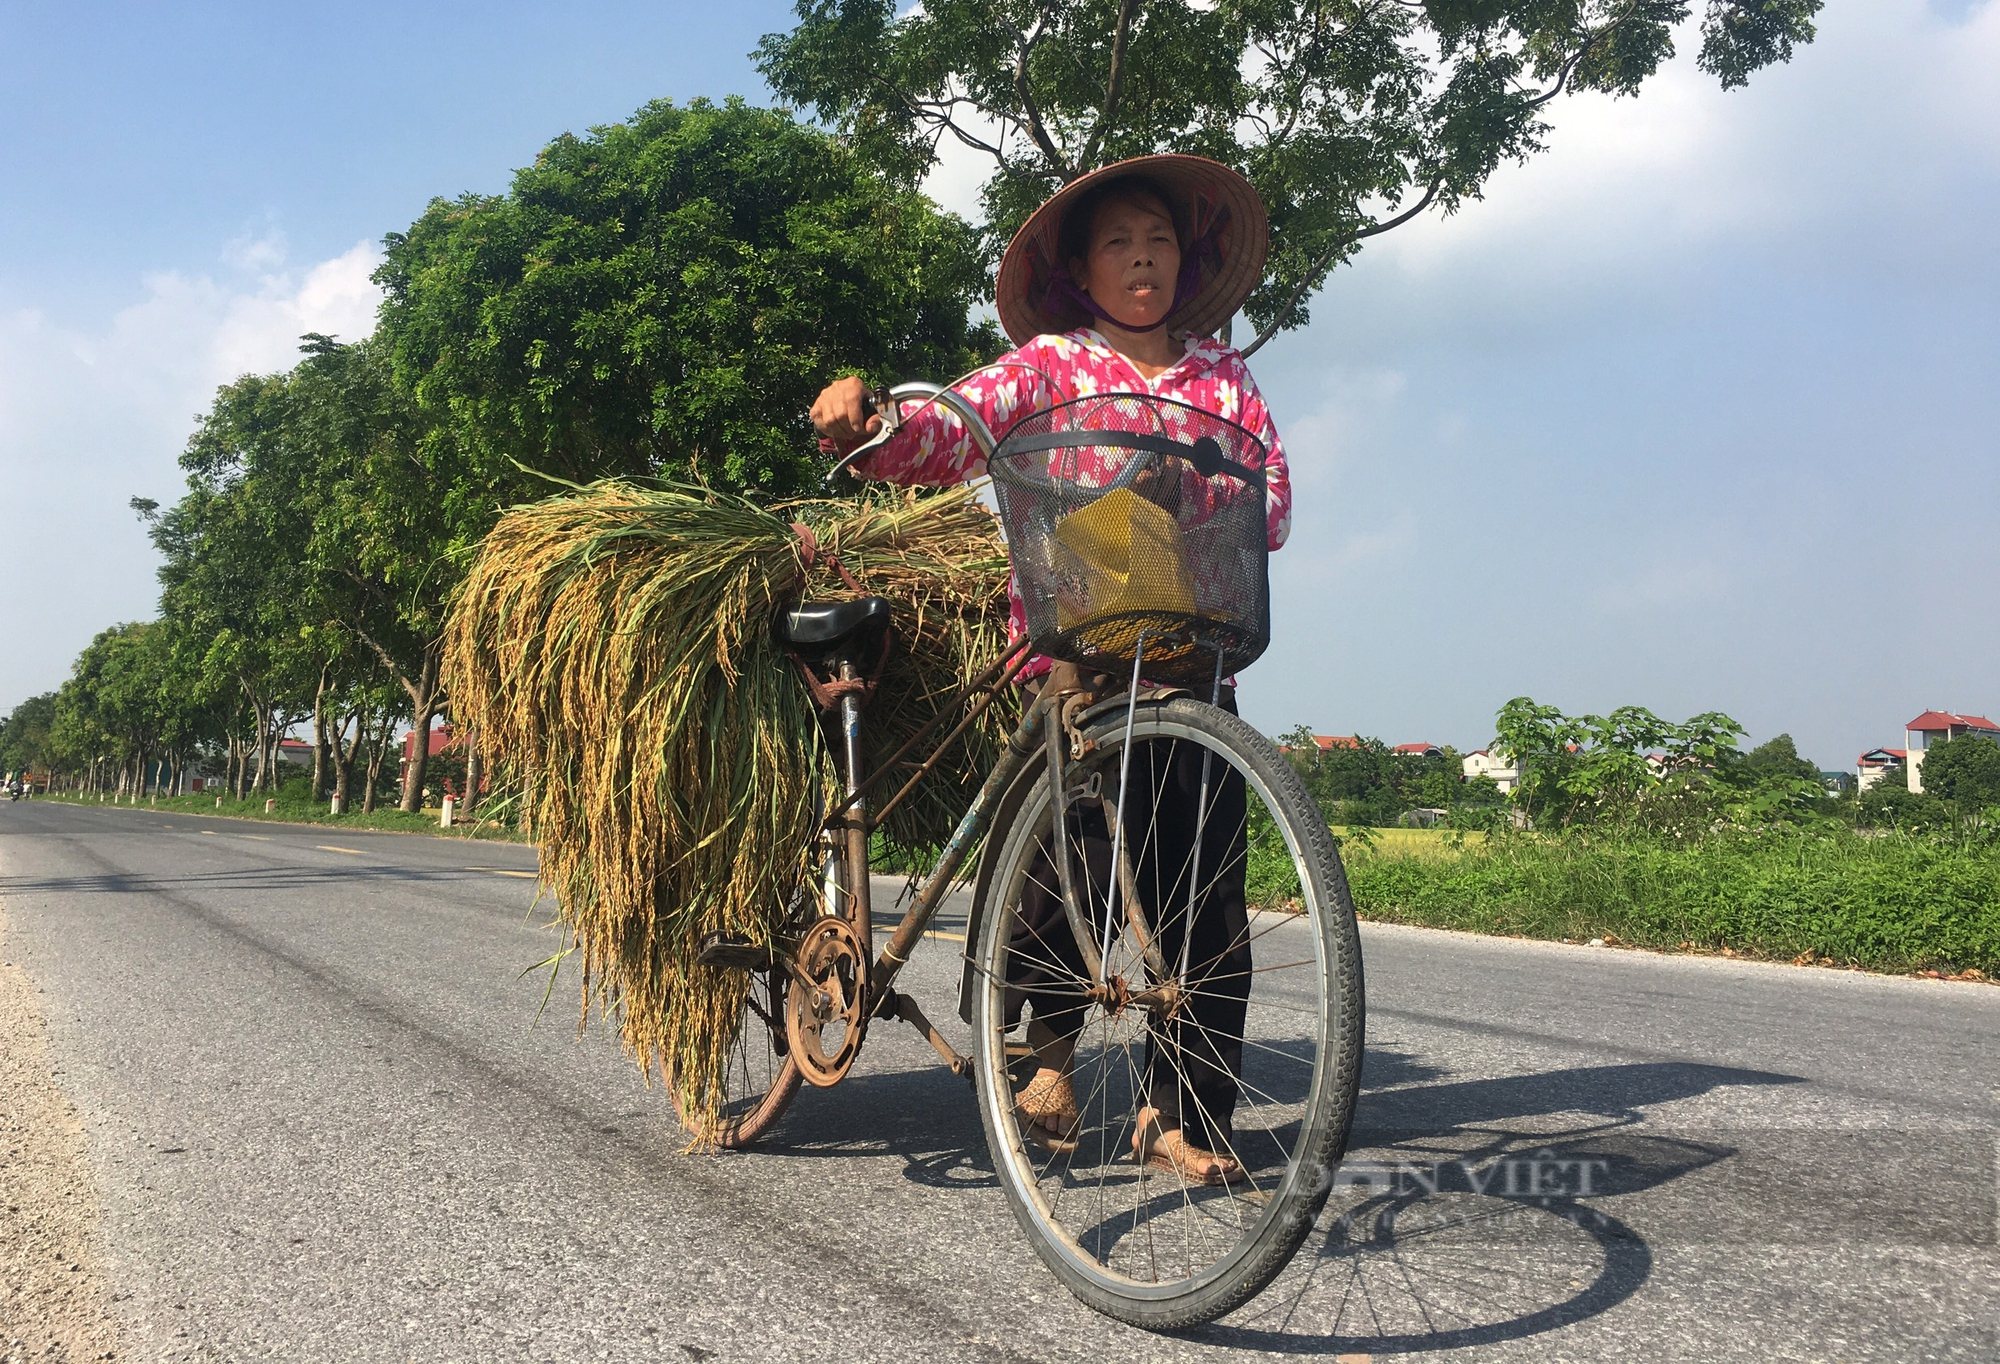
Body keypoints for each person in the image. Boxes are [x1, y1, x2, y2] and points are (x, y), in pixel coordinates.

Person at [811, 155, 1291, 1185]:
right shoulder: (1047, 366)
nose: (1141, 258)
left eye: (1157, 239)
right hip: (1077, 648)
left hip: (1191, 659)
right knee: (1059, 858)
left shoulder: (1223, 378)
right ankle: (1046, 1048)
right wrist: (874, 421)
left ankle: (1183, 1114)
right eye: (1118, 241)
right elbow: (954, 427)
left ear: (1184, 257)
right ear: (1081, 267)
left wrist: (1191, 492)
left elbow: (1274, 502)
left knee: (1201, 899)